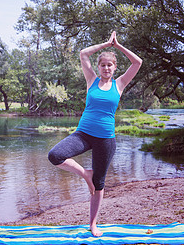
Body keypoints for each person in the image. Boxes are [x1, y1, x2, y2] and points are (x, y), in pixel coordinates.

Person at [48, 31, 142, 237]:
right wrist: (106, 44)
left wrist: (118, 46)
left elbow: (137, 62)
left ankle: (93, 224)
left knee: (99, 185)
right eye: (103, 65)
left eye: (110, 65)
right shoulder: (91, 80)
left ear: (115, 68)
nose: (106, 68)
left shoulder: (120, 84)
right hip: (83, 134)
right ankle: (85, 174)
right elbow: (83, 54)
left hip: (106, 140)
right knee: (55, 155)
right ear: (98, 67)